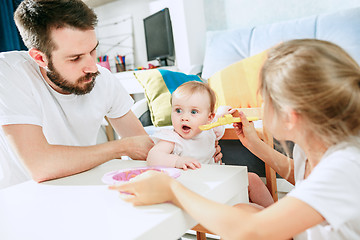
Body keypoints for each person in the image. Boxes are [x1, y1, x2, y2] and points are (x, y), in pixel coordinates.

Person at [110, 39, 360, 239]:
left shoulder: (345, 167)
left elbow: (252, 231)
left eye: (264, 100)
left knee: (243, 223)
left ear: (290, 117)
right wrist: (255, 145)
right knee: (241, 210)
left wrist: (172, 189)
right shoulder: (314, 145)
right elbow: (305, 176)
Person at [0, 0, 154, 189]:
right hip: (23, 197)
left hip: (83, 188)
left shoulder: (102, 78)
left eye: (93, 50)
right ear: (40, 58)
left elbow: (143, 144)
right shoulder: (8, 71)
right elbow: (41, 166)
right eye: (75, 58)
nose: (92, 67)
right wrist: (121, 147)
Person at [147, 81, 229, 170]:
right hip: (185, 180)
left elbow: (217, 119)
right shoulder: (173, 139)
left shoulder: (211, 129)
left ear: (209, 118)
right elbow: (153, 157)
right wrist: (177, 161)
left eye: (193, 112)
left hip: (212, 176)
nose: (184, 117)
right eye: (178, 110)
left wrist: (221, 112)